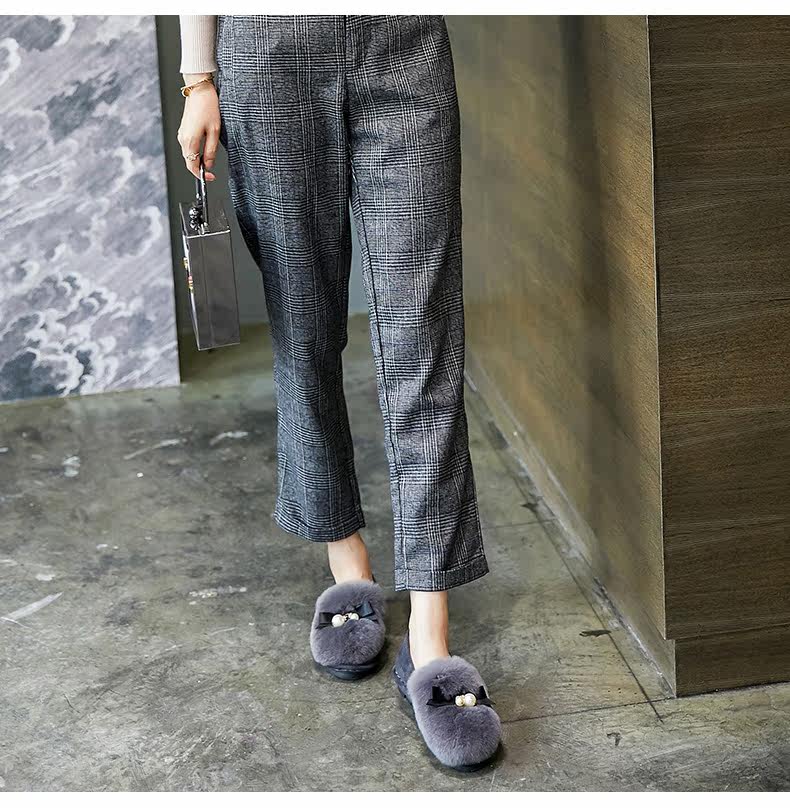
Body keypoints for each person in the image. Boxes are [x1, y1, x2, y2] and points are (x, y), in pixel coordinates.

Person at [177, 14, 501, 771]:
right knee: (306, 330)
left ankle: (429, 636)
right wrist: (199, 78)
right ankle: (347, 563)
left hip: (405, 45)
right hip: (271, 49)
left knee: (424, 337)